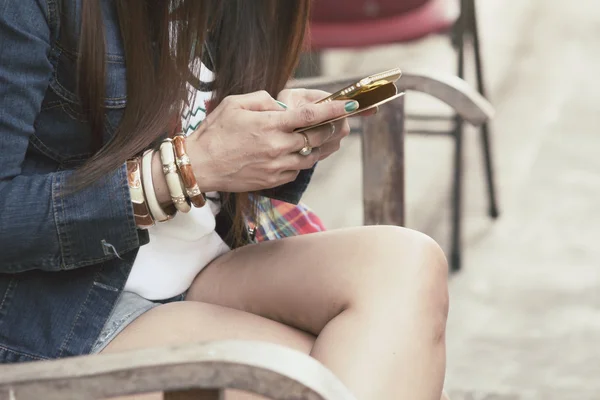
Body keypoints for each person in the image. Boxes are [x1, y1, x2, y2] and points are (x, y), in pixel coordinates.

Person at [0, 1, 450, 399]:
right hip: (61, 305)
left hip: (200, 262)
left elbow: (207, 157)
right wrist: (186, 168)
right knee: (357, 370)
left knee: (407, 262)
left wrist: (276, 142)